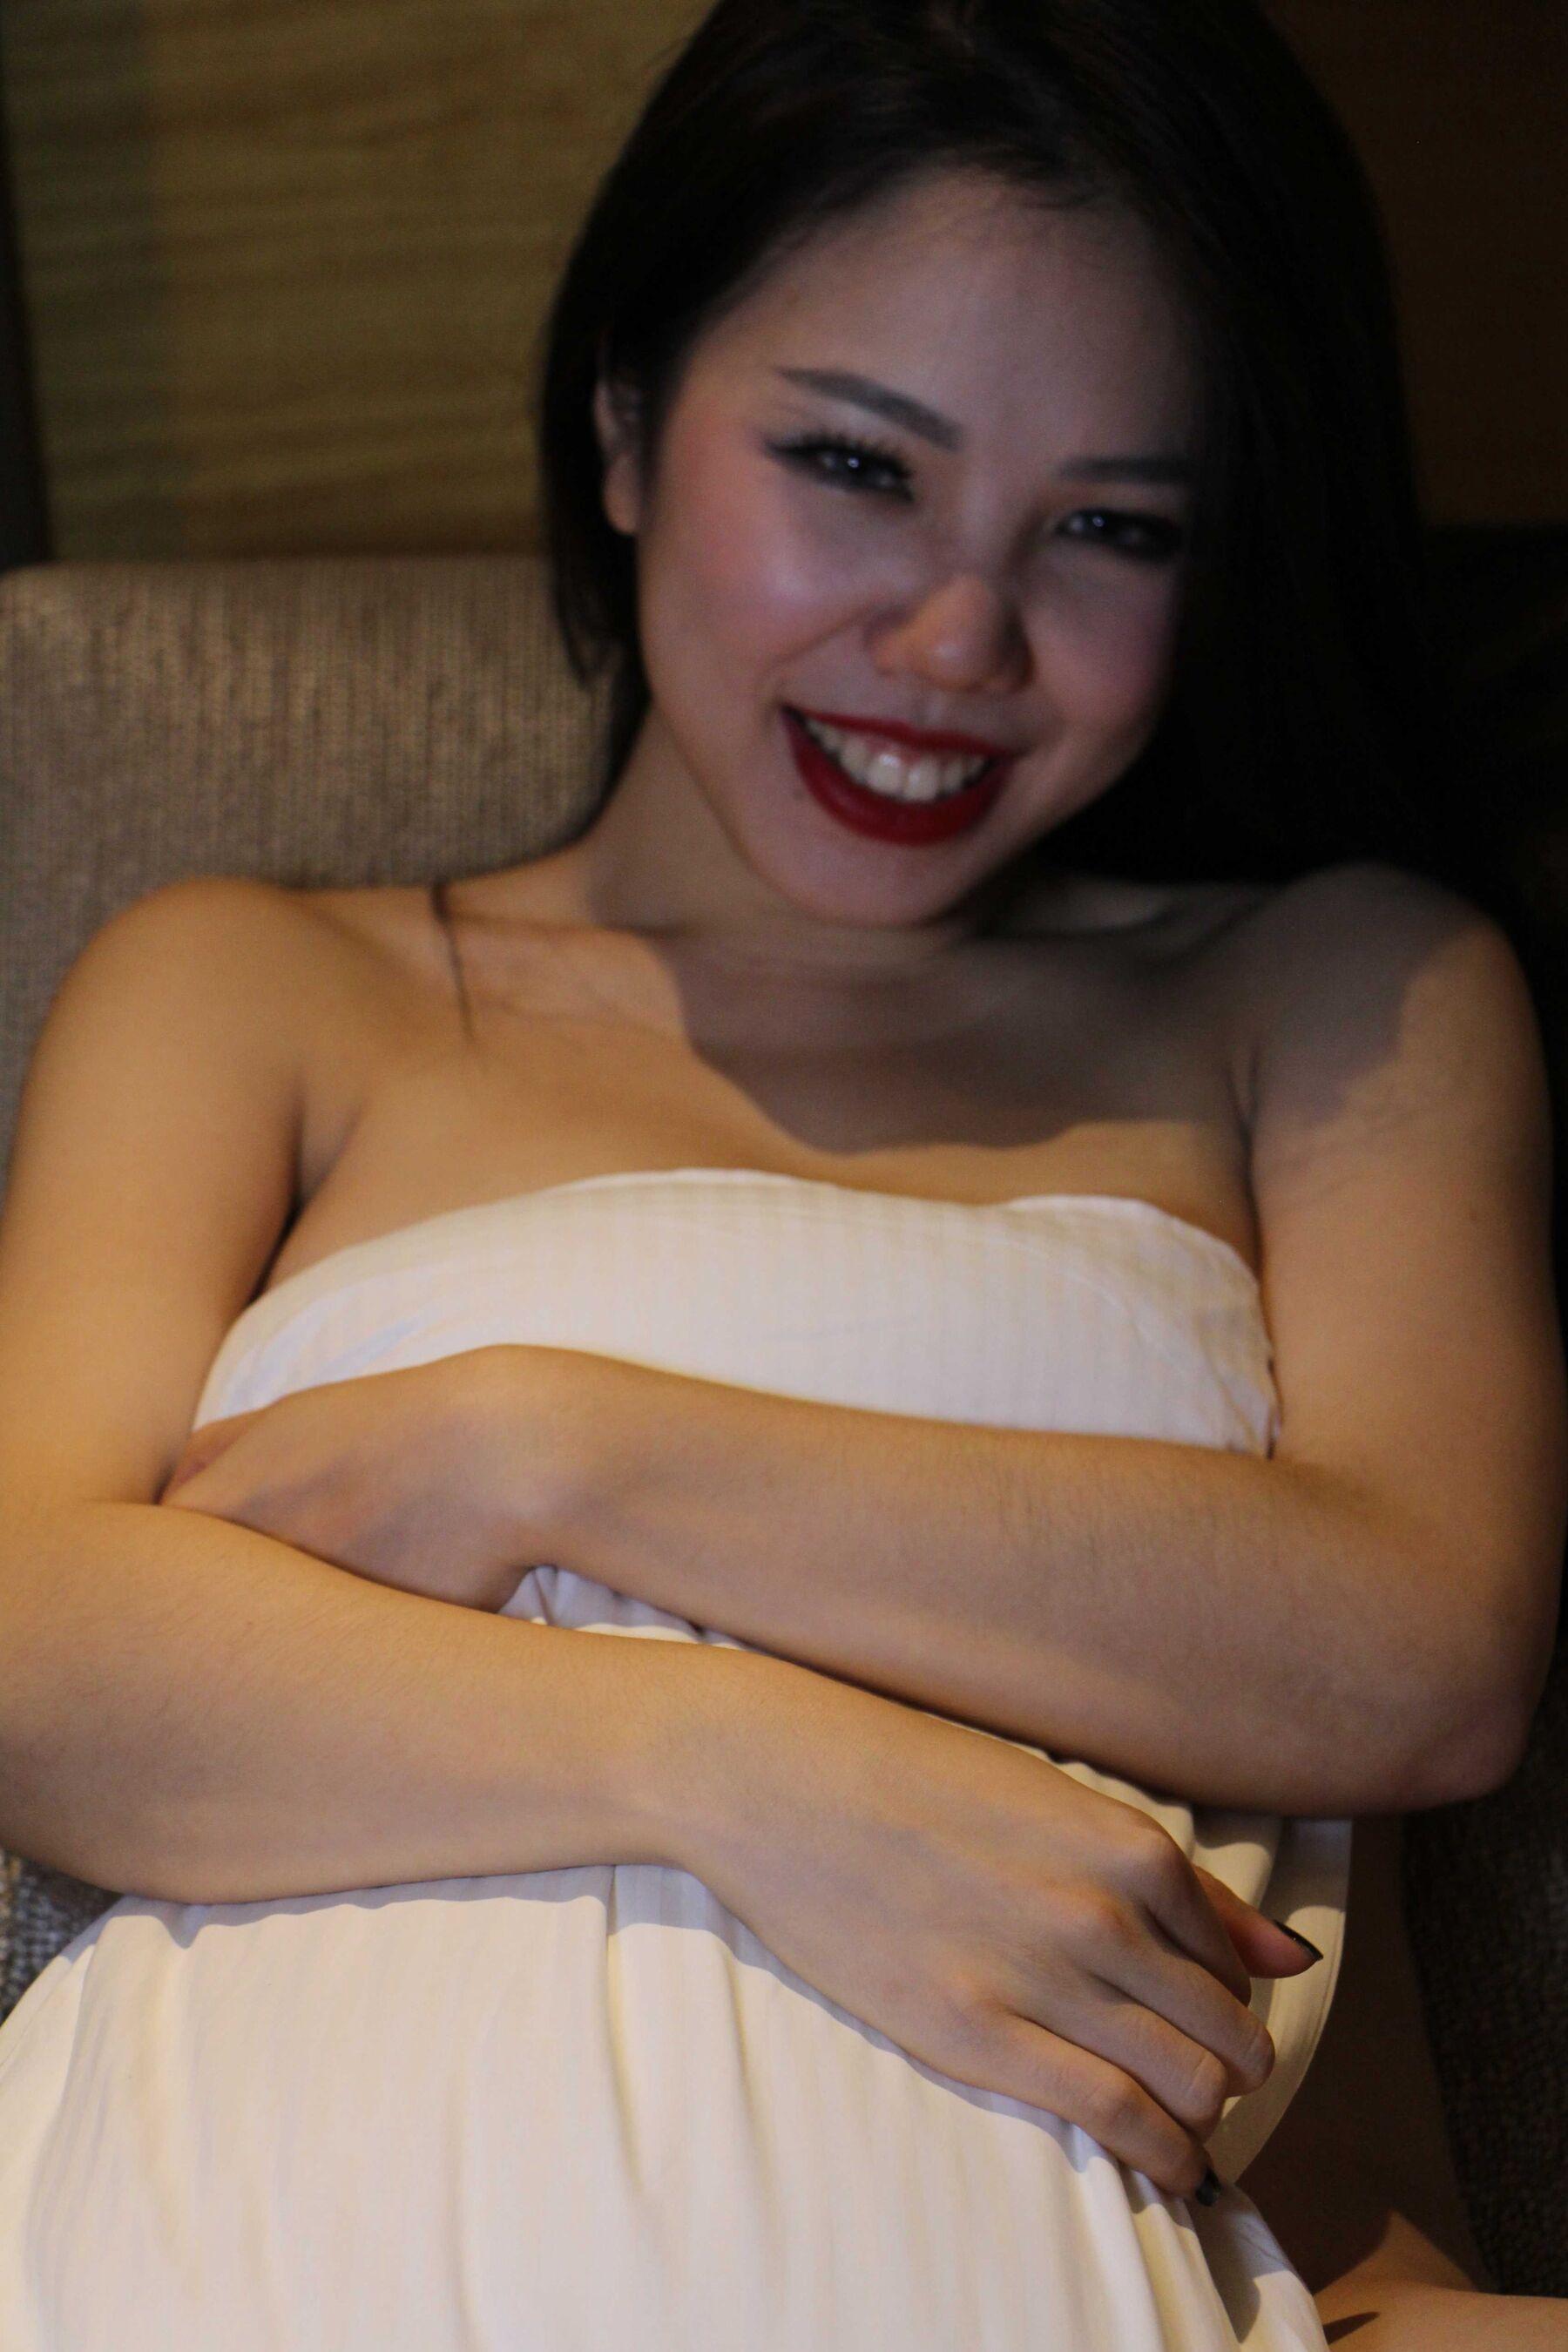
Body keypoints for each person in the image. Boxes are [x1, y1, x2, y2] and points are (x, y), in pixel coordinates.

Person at [0, 0, 1562, 2343]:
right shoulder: (253, 987)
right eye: (854, 464)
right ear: (626, 419)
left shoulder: (1327, 988)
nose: (955, 640)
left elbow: (1412, 1643)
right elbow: (33, 1653)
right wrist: (746, 1770)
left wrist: (548, 1445)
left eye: (1111, 526)